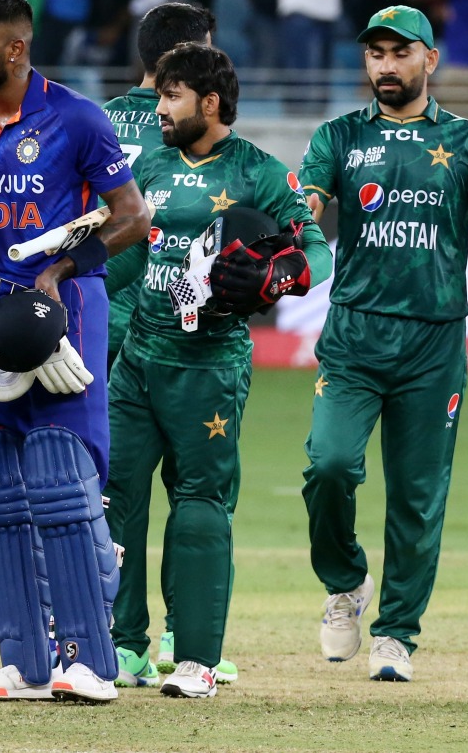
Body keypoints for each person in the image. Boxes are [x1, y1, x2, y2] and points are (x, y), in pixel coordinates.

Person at [298, 5, 468, 683]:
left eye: (401, 52)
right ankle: (346, 583)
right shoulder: (338, 136)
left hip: (433, 343)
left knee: (418, 497)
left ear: (430, 60)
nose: (386, 65)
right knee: (329, 465)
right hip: (355, 334)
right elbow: (304, 211)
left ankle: (396, 633)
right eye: (376, 53)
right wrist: (287, 244)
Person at [103, 41, 332, 698]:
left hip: (208, 365)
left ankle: (198, 659)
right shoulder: (150, 163)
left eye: (172, 96)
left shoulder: (259, 171)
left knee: (200, 506)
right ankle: (123, 648)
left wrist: (274, 272)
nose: (161, 107)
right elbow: (129, 253)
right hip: (138, 356)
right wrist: (71, 286)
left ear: (210, 102)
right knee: (114, 496)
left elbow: (313, 250)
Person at [0, 0, 149, 703]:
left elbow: (131, 218)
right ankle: (26, 664)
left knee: (61, 480)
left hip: (64, 314)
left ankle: (92, 661)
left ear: (16, 48)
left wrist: (61, 269)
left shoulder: (77, 118)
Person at [97, 2, 235, 689]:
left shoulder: (94, 118)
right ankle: (187, 636)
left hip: (100, 328)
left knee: (114, 491)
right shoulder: (186, 135)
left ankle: (121, 643)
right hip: (172, 332)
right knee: (198, 487)